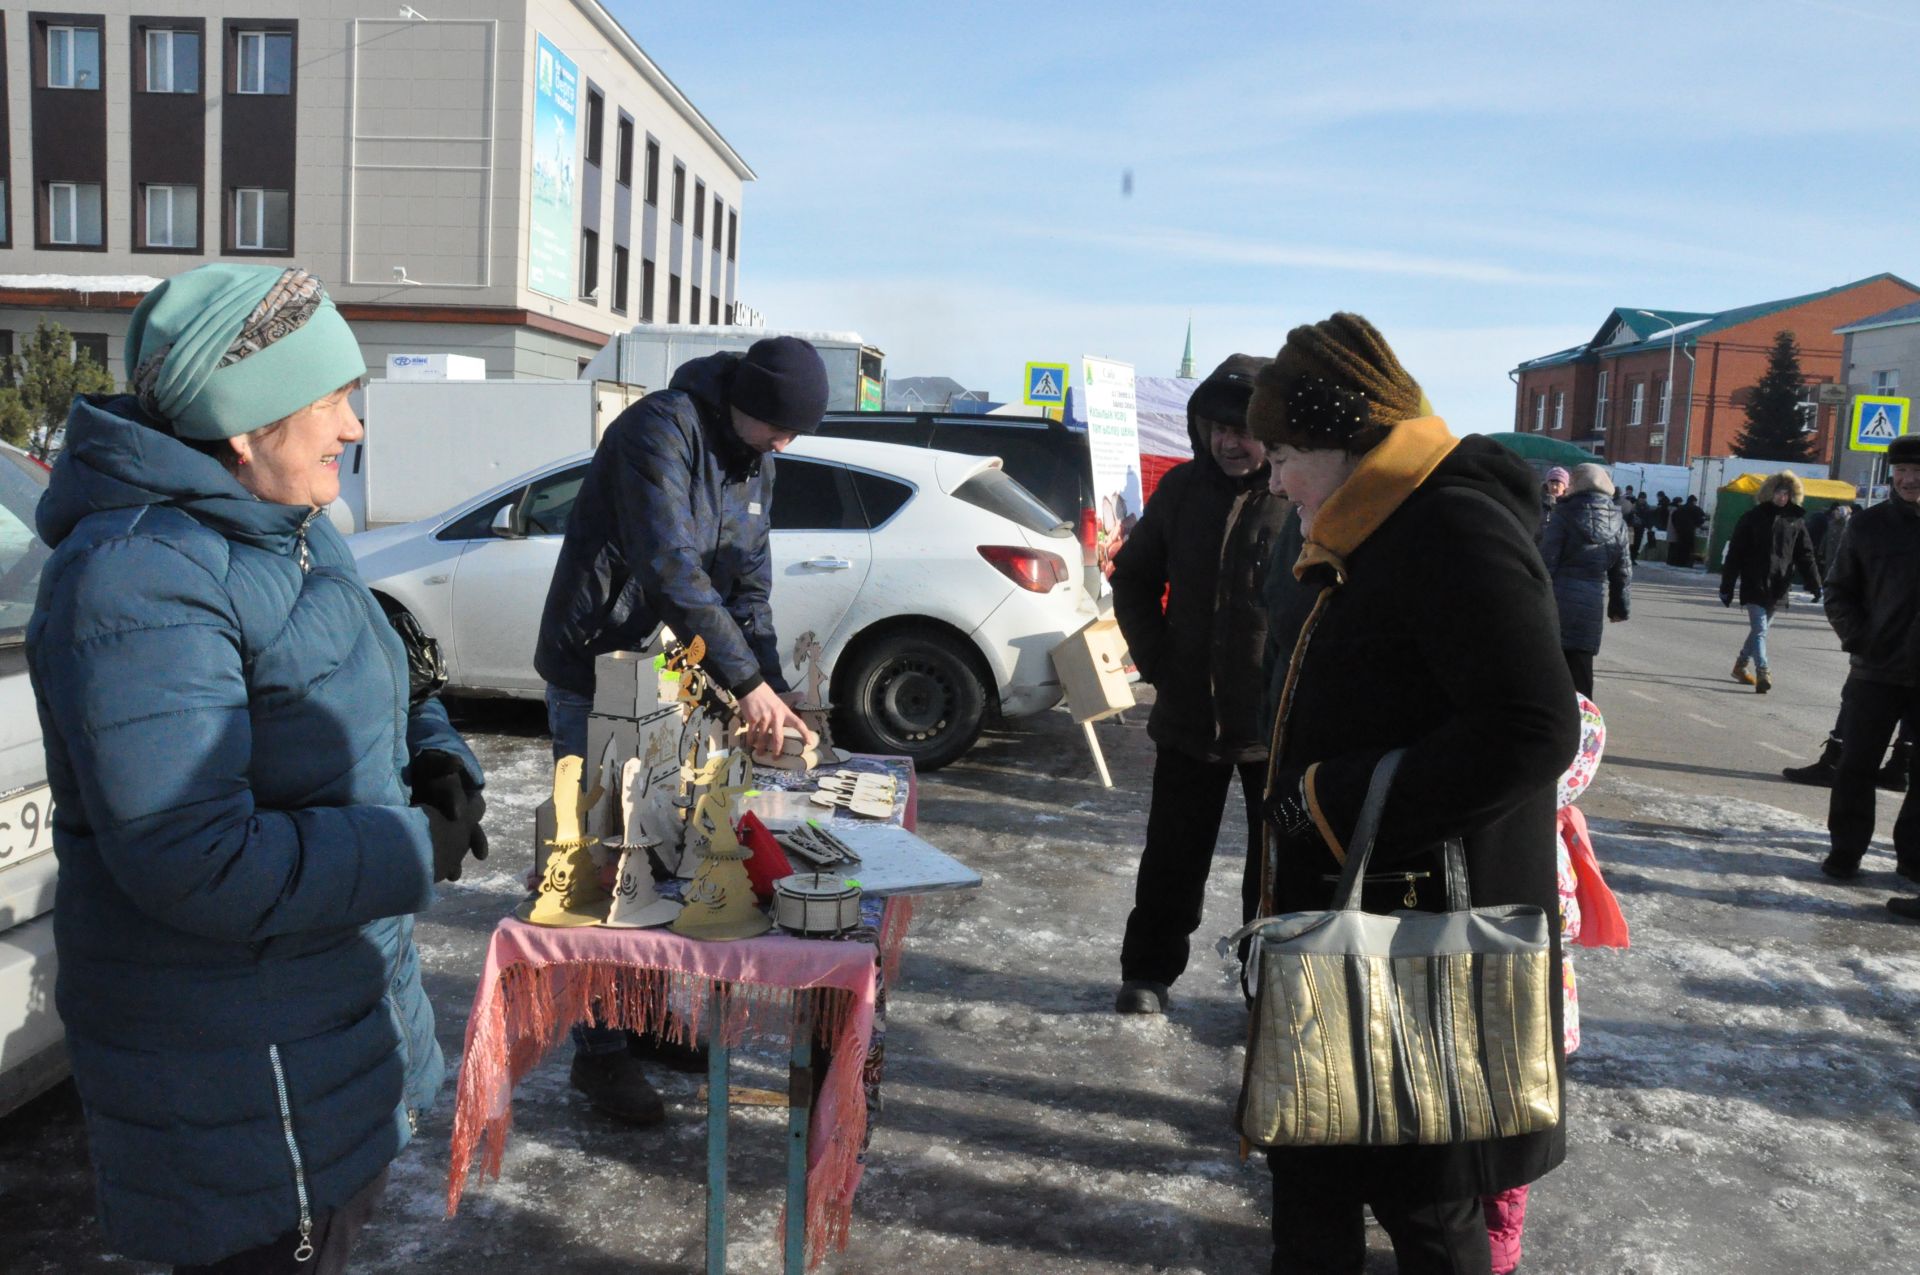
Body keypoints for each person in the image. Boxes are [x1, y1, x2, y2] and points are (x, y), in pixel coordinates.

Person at [26, 264, 489, 1272]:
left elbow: (390, 677)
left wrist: (440, 759)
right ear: (246, 424)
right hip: (239, 1084)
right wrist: (415, 845)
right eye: (331, 398)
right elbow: (196, 857)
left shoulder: (291, 531)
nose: (354, 427)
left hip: (324, 1034)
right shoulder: (138, 579)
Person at [1251, 313, 1579, 1275]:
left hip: (1419, 939)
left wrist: (1332, 799)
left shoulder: (1448, 524)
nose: (1272, 479)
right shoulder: (1373, 523)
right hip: (1347, 927)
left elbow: (1532, 728)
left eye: (1280, 455)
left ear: (1339, 441)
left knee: (1423, 1200)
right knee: (1309, 1172)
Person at [534, 334, 824, 1124]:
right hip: (597, 664)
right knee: (603, 859)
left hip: (671, 673)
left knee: (657, 851)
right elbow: (671, 567)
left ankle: (644, 1023)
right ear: (747, 402)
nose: (785, 444)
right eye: (779, 427)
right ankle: (599, 1058)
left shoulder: (755, 462)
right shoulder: (658, 429)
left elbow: (749, 588)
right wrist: (747, 684)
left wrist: (774, 690)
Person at [1109, 355, 1287, 1014]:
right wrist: (1158, 660)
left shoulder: (1300, 498)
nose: (1228, 441)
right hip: (1189, 715)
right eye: (1215, 426)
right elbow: (1131, 576)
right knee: (1172, 858)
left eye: (1243, 429)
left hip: (1273, 726)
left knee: (1272, 870)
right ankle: (1147, 974)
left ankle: (1267, 986)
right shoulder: (1183, 489)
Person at [1817, 435, 1920, 900]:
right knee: (1856, 763)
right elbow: (1838, 590)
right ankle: (1846, 850)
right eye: (1901, 471)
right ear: (1891, 474)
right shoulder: (1869, 527)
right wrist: (1859, 638)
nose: (1910, 479)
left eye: (1917, 471)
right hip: (1875, 670)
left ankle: (1914, 857)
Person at [1720, 471, 1821, 694]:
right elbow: (1735, 553)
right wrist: (1727, 586)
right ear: (1769, 493)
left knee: (1760, 631)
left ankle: (1740, 666)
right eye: (1778, 492)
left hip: (1778, 585)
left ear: (1792, 495)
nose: (1782, 497)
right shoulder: (1752, 517)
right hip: (1754, 581)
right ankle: (1763, 671)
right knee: (1760, 630)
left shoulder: (1795, 521)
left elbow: (1805, 555)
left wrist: (1815, 584)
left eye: (1786, 493)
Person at [1540, 463, 1631, 699]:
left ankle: (1554, 724)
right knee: (1582, 670)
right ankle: (1584, 726)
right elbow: (1622, 571)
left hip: (1557, 600)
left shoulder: (1563, 514)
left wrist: (1533, 599)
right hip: (1592, 602)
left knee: (1550, 667)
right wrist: (1618, 608)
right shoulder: (1618, 522)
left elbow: (1546, 561)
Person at [1667, 494, 1708, 567]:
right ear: (1694, 501)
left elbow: (1673, 518)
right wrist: (1698, 524)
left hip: (1680, 531)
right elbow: (1702, 517)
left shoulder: (1680, 508)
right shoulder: (1696, 508)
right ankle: (1687, 563)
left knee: (1680, 547)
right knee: (1689, 548)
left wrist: (1677, 527)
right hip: (1689, 531)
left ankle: (1679, 562)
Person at [1536, 465, 1569, 543]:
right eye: (1551, 483)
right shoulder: (1538, 501)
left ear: (1565, 486)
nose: (1554, 487)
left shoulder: (1569, 504)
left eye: (1557, 484)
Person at [1627, 491, 1652, 564]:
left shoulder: (1646, 507)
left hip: (1639, 527)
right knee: (1631, 543)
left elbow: (1648, 518)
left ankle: (1633, 558)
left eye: (1643, 498)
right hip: (1632, 527)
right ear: (1638, 498)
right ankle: (1629, 558)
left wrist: (1648, 526)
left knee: (1637, 543)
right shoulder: (1634, 506)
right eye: (1641, 498)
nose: (1642, 500)